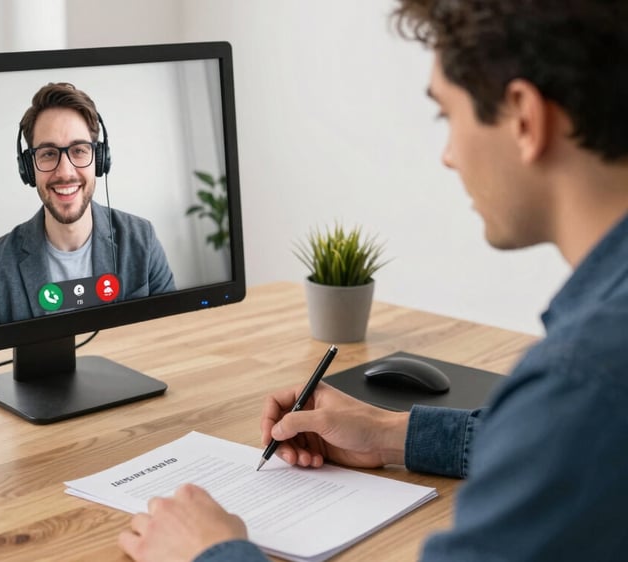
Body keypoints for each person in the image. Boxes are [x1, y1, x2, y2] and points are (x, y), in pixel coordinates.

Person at [118, 2, 628, 561]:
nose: (449, 156)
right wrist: (391, 433)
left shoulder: (584, 383)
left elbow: (570, 427)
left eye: (446, 116)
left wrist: (208, 552)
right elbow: (551, 451)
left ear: (524, 119)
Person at [0, 82, 175, 329]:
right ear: (28, 169)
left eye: (79, 150)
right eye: (48, 153)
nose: (65, 172)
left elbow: (172, 334)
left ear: (99, 159)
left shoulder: (142, 239)